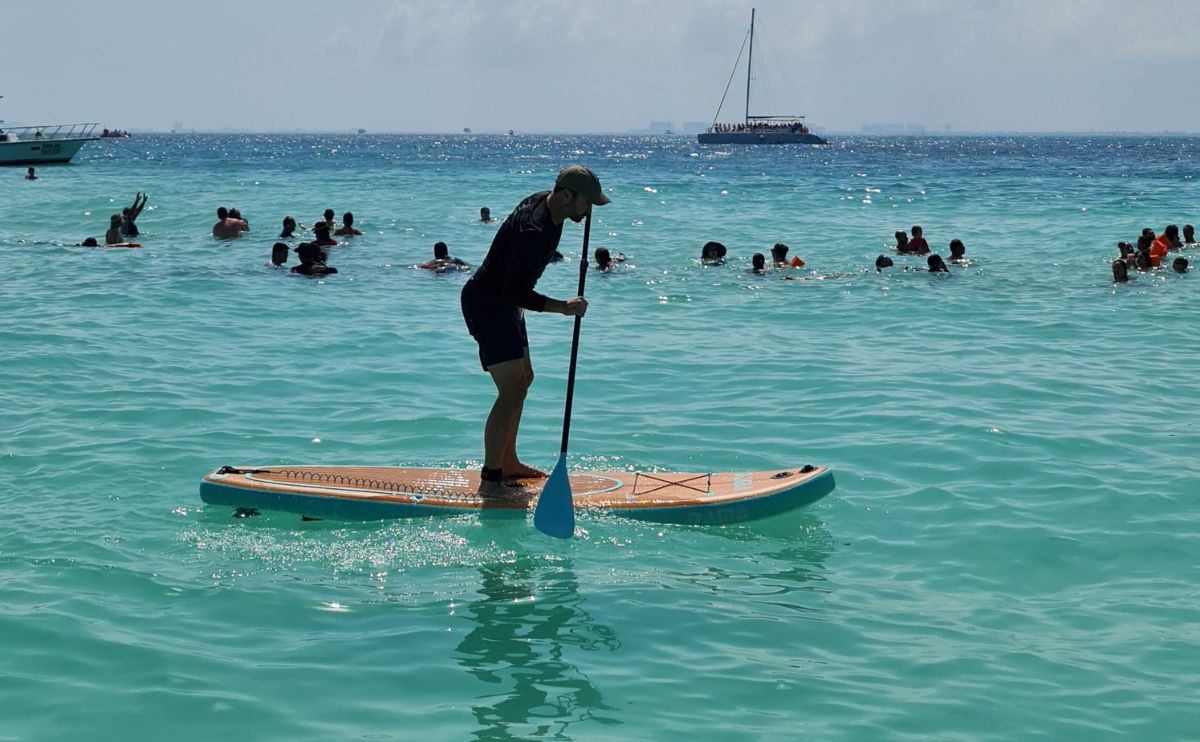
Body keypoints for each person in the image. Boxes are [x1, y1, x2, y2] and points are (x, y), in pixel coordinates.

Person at [459, 165, 609, 498]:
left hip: (507, 304)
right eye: (587, 204)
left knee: (524, 379)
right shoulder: (535, 229)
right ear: (567, 196)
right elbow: (513, 290)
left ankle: (508, 462)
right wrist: (564, 307)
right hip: (489, 305)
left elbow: (515, 286)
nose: (589, 212)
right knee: (510, 391)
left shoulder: (549, 205)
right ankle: (491, 480)